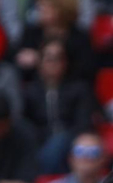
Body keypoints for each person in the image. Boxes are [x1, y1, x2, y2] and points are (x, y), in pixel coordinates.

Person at [22, 38, 97, 174]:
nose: (54, 63)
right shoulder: (30, 92)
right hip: (40, 145)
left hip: (71, 147)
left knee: (61, 141)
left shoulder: (79, 89)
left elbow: (83, 125)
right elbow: (26, 126)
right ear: (40, 63)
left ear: (65, 62)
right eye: (49, 58)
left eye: (58, 58)